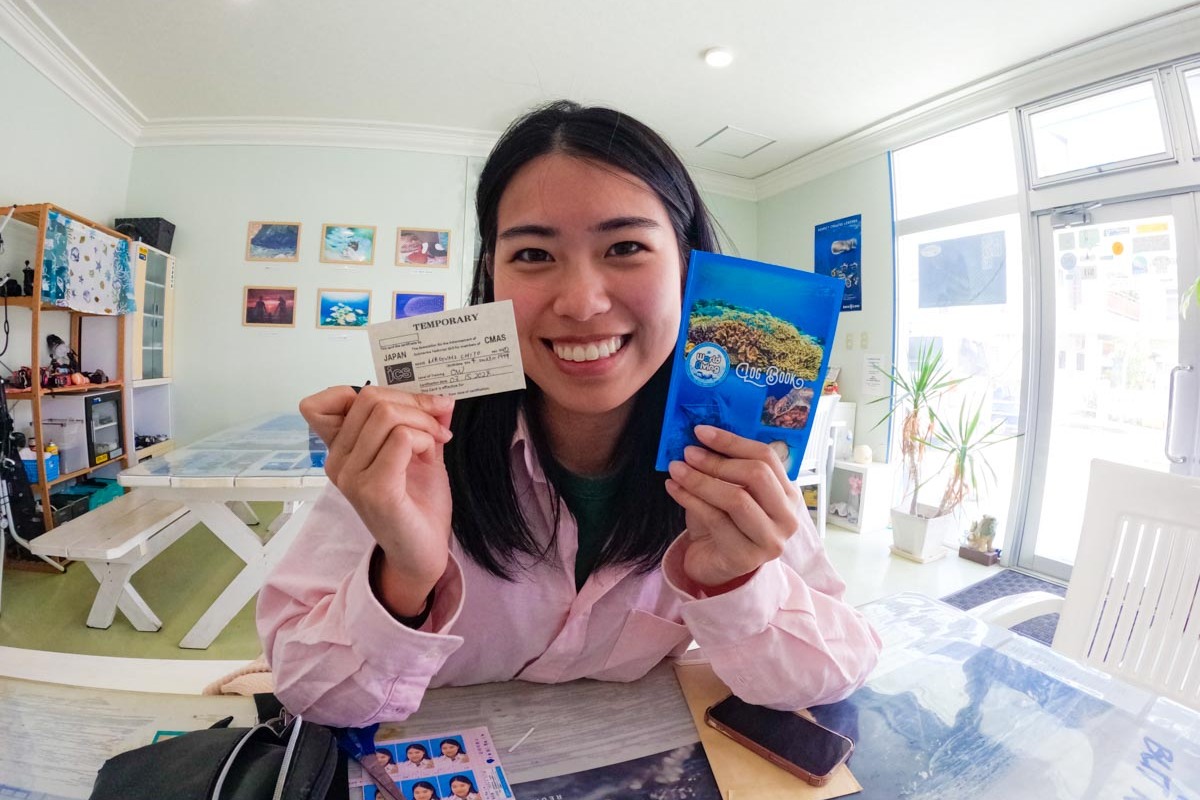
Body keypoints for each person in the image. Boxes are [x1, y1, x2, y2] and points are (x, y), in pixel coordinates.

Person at [258, 100, 881, 728]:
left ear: (689, 268)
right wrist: (405, 574)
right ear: (491, 275)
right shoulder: (417, 446)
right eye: (533, 255)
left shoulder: (733, 446)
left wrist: (733, 583)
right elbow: (309, 692)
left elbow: (838, 670)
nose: (581, 303)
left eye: (626, 246)